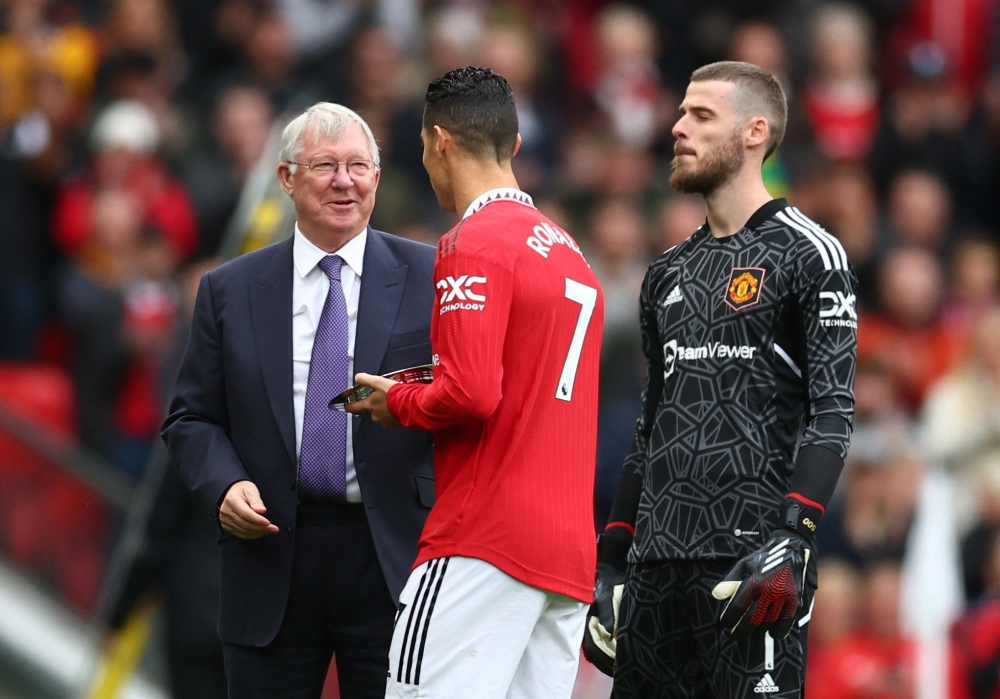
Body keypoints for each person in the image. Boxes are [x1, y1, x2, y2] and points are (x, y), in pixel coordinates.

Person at [582, 61, 858, 699]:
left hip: (752, 570)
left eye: (701, 116)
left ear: (754, 132)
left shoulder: (810, 254)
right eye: (680, 114)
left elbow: (834, 413)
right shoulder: (667, 273)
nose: (678, 128)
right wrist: (612, 562)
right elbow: (651, 426)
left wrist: (796, 538)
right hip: (654, 573)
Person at [161, 102, 436, 699]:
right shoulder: (229, 289)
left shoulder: (433, 276)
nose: (345, 181)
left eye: (359, 166)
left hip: (394, 557)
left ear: (378, 178)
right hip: (271, 551)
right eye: (325, 166)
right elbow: (191, 418)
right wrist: (224, 485)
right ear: (286, 178)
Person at [346, 66, 604, 699]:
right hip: (568, 558)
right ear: (513, 146)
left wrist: (398, 400)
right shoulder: (572, 254)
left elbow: (471, 394)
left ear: (439, 142)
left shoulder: (474, 242)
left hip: (484, 539)